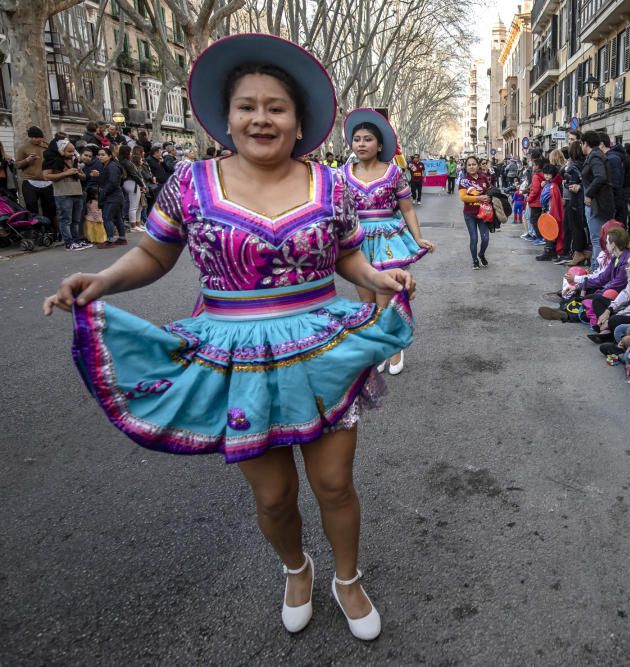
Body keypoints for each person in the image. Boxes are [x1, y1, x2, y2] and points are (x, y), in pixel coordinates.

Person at [45, 34, 414, 641]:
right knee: (273, 496)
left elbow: (350, 258)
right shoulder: (188, 184)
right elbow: (154, 255)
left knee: (334, 482)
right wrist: (103, 280)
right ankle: (297, 569)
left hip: (322, 350)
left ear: (299, 122)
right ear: (227, 116)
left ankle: (347, 579)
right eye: (248, 105)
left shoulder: (333, 186)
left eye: (276, 107)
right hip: (234, 357)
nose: (261, 118)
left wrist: (378, 276)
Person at [342, 108, 434, 374]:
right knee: (367, 303)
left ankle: (394, 347)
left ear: (380, 144)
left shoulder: (393, 172)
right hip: (357, 242)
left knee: (386, 300)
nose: (361, 143)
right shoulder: (343, 174)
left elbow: (406, 208)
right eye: (357, 138)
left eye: (367, 139)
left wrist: (418, 238)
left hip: (388, 241)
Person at [43, 138, 89, 251]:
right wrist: (66, 173)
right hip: (63, 193)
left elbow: (84, 176)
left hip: (77, 192)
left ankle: (76, 240)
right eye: (69, 151)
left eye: (73, 151)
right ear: (60, 150)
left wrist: (78, 174)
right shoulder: (52, 160)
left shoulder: (74, 160)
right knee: (65, 220)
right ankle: (69, 243)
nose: (72, 153)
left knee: (76, 220)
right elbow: (46, 176)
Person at [580, 131, 615, 269]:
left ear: (585, 144)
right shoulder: (596, 156)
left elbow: (600, 177)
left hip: (597, 205)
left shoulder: (594, 157)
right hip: (598, 204)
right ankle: (598, 269)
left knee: (597, 240)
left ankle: (596, 270)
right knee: (598, 239)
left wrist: (588, 193)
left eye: (582, 144)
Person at [15, 126, 57, 225]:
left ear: (42, 137)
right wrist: (27, 160)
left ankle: (51, 230)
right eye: (32, 137)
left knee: (50, 208)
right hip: (30, 182)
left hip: (47, 182)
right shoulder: (23, 148)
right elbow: (17, 165)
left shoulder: (47, 146)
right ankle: (36, 231)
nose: (35, 139)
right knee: (31, 207)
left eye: (37, 137)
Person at [458, 155, 492, 269]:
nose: (471, 167)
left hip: (483, 213)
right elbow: (463, 197)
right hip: (469, 214)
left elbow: (491, 192)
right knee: (474, 238)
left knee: (486, 238)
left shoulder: (484, 178)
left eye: (474, 164)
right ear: (466, 167)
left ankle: (481, 254)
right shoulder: (464, 180)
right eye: (469, 165)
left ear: (478, 166)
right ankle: (475, 260)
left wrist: (490, 197)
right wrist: (480, 198)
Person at [562, 140, 590, 267]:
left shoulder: (573, 166)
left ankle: (579, 253)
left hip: (575, 200)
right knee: (581, 227)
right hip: (582, 200)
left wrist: (566, 183)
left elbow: (572, 183)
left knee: (576, 227)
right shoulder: (584, 162)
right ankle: (581, 252)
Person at [95, 147, 127, 247]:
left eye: (103, 154)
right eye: (99, 155)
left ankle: (110, 240)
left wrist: (103, 192)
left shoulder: (112, 166)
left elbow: (113, 182)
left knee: (107, 217)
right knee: (117, 218)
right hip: (115, 196)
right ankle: (122, 238)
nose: (100, 157)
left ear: (109, 156)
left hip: (112, 197)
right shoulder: (107, 166)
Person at [118, 144, 145, 233]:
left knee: (136, 206)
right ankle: (133, 225)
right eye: (130, 152)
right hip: (132, 183)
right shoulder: (127, 162)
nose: (131, 153)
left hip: (129, 183)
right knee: (134, 206)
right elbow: (134, 174)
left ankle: (136, 224)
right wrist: (142, 184)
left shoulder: (123, 161)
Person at [602, 133, 627, 222]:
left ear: (601, 144)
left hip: (615, 201)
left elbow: (615, 183)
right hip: (615, 200)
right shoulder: (611, 157)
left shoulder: (612, 158)